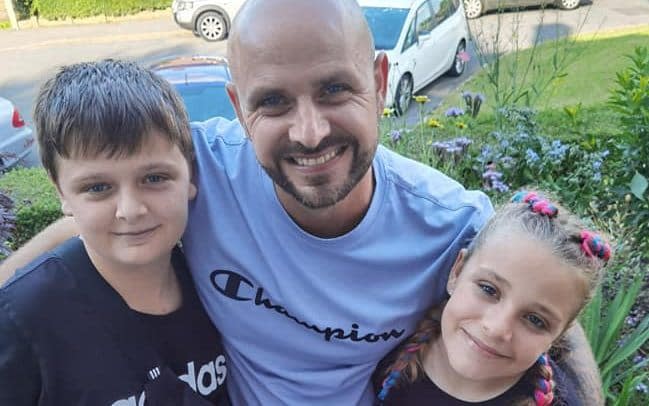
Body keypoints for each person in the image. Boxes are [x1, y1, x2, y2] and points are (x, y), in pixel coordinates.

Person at [0, 1, 603, 404]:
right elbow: (89, 220)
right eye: (274, 103)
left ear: (380, 80)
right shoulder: (191, 170)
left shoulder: (449, 223)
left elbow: (553, 307)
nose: (309, 132)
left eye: (334, 89)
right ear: (238, 108)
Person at [0, 60, 229, 405]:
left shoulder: (220, 281)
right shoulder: (25, 320)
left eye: (154, 178)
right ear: (61, 193)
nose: (131, 209)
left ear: (191, 175)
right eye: (98, 187)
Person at [376, 191, 612, 405]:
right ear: (457, 272)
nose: (497, 328)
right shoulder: (388, 350)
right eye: (489, 290)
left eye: (535, 320)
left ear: (558, 336)